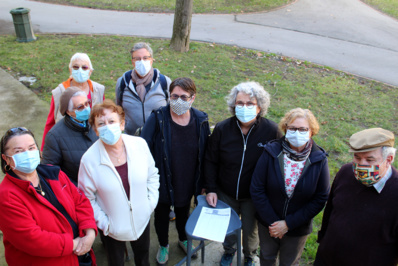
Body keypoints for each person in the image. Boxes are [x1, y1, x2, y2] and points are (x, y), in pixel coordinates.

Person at [204, 81, 282, 266]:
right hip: (226, 191)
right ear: (233, 105)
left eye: (250, 103)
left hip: (253, 195)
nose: (244, 107)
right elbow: (210, 160)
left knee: (250, 230)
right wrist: (211, 189)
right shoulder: (222, 129)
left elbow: (279, 165)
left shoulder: (271, 131)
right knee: (228, 228)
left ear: (259, 107)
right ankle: (229, 251)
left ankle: (250, 255)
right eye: (240, 103)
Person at [78, 99, 159, 266]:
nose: (107, 126)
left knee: (143, 259)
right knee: (115, 262)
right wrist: (105, 224)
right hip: (113, 230)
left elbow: (152, 175)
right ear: (95, 130)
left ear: (122, 124)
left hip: (142, 220)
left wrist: (150, 204)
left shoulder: (139, 145)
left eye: (112, 121)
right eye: (101, 123)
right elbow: (86, 198)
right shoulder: (89, 160)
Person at [0, 127, 97, 265]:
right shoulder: (7, 196)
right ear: (6, 159)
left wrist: (89, 231)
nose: (27, 154)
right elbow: (32, 239)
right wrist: (74, 244)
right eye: (19, 151)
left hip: (79, 256)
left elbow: (80, 201)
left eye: (31, 148)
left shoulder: (54, 174)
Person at [141, 77, 211, 265]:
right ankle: (163, 245)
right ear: (169, 96)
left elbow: (206, 152)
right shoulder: (158, 118)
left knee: (183, 210)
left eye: (183, 96)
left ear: (192, 98)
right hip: (162, 177)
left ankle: (183, 238)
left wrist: (204, 181)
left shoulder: (200, 120)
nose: (178, 100)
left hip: (188, 177)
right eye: (174, 96)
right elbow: (143, 146)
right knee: (162, 214)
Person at [250, 108, 330, 266]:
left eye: (302, 129)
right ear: (285, 129)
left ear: (311, 131)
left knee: (290, 262)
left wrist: (288, 224)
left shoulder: (319, 159)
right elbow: (257, 188)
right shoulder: (271, 151)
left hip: (297, 227)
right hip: (268, 224)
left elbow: (321, 197)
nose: (297, 132)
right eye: (292, 128)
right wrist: (274, 223)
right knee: (266, 257)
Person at [315, 128, 398, 266]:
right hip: (326, 259)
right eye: (357, 157)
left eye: (369, 159)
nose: (361, 165)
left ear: (388, 159)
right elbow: (329, 211)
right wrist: (323, 241)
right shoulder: (346, 172)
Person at [41, 52, 105, 150]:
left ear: (90, 71)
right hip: (68, 143)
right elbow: (51, 122)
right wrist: (44, 149)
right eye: (76, 67)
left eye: (84, 67)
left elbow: (104, 117)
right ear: (70, 70)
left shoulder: (99, 90)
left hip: (94, 141)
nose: (80, 70)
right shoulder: (59, 92)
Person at [42, 87, 98, 186]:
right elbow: (50, 173)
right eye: (80, 107)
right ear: (68, 111)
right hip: (78, 191)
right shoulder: (54, 137)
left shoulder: (96, 122)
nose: (86, 108)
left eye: (87, 103)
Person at [115, 42, 171, 136]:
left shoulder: (164, 82)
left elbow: (171, 109)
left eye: (145, 58)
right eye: (137, 59)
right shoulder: (122, 83)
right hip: (132, 138)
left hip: (158, 138)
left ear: (151, 60)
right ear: (132, 62)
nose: (142, 61)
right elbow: (119, 109)